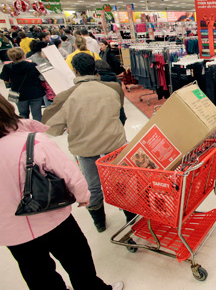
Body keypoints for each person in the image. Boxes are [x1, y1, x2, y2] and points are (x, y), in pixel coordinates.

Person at [0, 95, 124, 290]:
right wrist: (83, 197)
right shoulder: (32, 141)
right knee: (78, 261)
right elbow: (69, 174)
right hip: (52, 217)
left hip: (11, 231)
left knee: (37, 274)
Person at [42, 53, 135, 232]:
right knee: (121, 184)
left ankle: (100, 223)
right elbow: (118, 112)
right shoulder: (114, 88)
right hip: (114, 143)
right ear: (95, 66)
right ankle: (131, 219)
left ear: (75, 70)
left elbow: (50, 127)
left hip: (85, 148)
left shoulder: (65, 97)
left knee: (92, 186)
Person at [0, 48, 45, 121]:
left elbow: (4, 77)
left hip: (18, 93)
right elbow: (40, 76)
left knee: (23, 114)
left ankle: (26, 130)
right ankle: (38, 130)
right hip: (35, 92)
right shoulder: (32, 65)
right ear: (23, 56)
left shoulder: (7, 67)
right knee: (37, 115)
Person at [96, 60, 127, 125]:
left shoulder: (96, 83)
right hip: (119, 115)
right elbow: (121, 101)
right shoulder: (116, 81)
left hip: (104, 117)